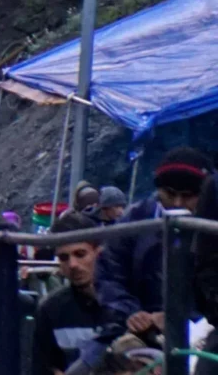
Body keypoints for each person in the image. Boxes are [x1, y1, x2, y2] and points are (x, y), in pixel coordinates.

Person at [97, 148, 212, 332]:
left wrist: (182, 317)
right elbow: (110, 275)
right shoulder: (135, 221)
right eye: (170, 193)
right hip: (139, 330)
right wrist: (132, 314)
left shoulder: (212, 226)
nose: (178, 203)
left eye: (188, 196)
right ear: (158, 189)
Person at [36, 212, 120, 375]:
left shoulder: (129, 301)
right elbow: (45, 366)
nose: (72, 264)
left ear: (99, 252)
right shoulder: (51, 310)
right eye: (64, 257)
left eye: (80, 254)